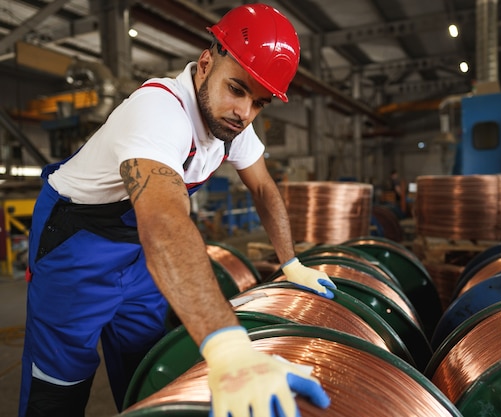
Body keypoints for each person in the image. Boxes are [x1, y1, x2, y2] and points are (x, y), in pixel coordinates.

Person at [18, 4, 336, 417]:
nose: (245, 113)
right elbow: (165, 222)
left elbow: (263, 187)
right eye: (237, 89)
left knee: (147, 364)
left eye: (259, 103)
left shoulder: (231, 123)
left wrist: (290, 262)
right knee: (60, 379)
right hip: (77, 245)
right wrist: (230, 349)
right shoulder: (157, 111)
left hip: (139, 253)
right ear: (206, 63)